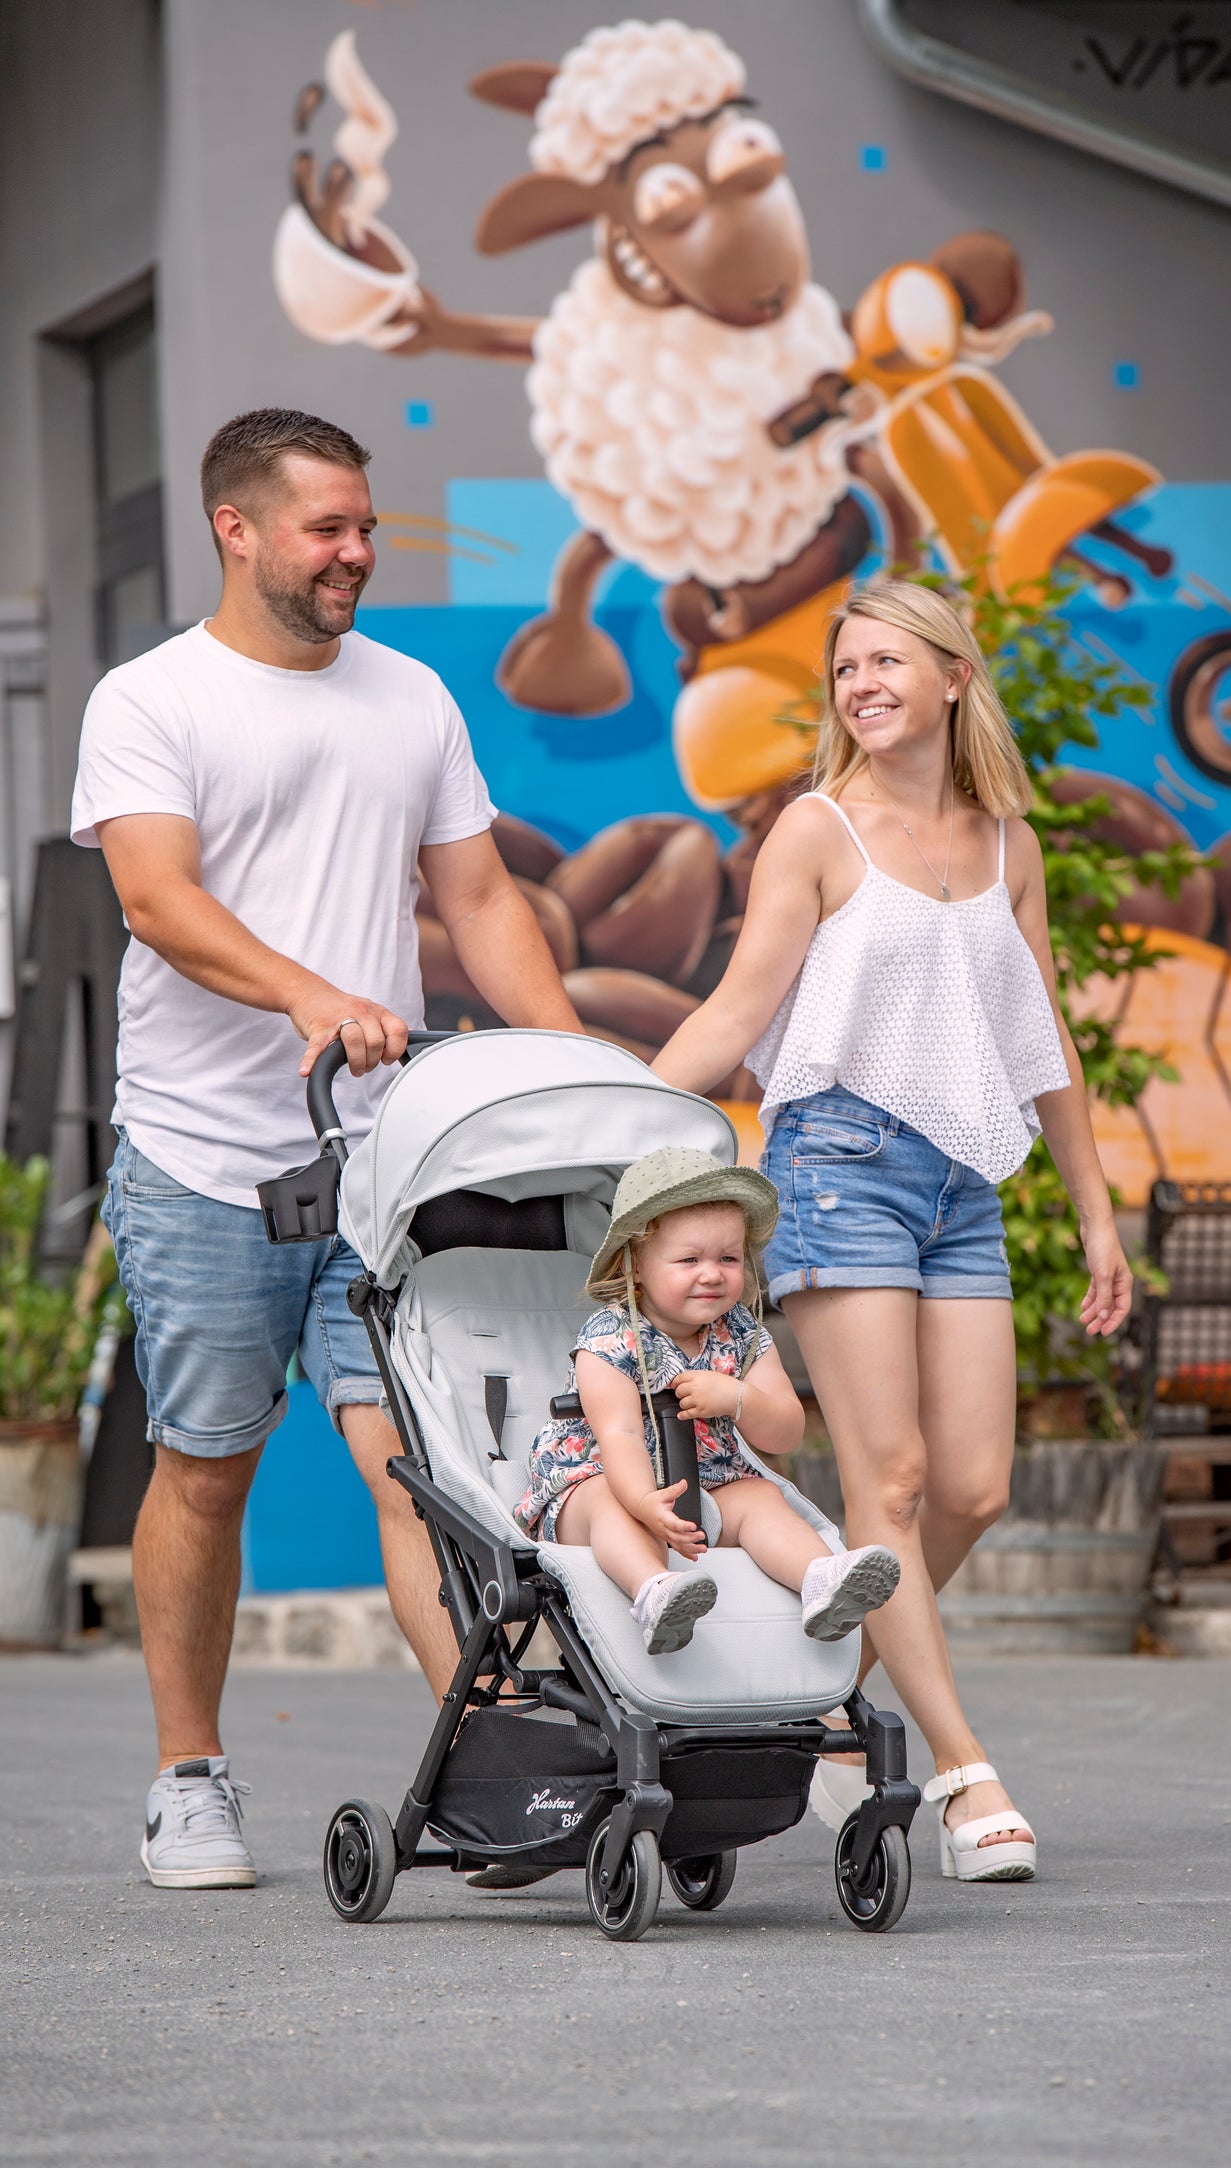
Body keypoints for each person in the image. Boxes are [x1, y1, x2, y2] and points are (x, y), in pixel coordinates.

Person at [71, 408, 582, 1890]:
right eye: (330, 529)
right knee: (208, 1473)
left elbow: (480, 902)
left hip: (381, 1166)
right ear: (239, 530)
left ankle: (490, 1771)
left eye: (367, 526)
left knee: (422, 1471)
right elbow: (157, 901)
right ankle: (189, 1778)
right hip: (203, 1156)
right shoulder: (151, 699)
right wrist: (311, 992)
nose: (359, 552)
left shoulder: (410, 696)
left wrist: (562, 1063)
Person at [652, 576, 1133, 1885]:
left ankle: (811, 1703)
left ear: (952, 677)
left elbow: (1044, 1048)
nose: (861, 685)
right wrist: (623, 1110)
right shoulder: (815, 831)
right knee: (896, 1487)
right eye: (845, 667)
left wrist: (1095, 1210)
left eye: (886, 662)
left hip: (962, 1184)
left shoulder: (1005, 841)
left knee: (973, 1485)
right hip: (838, 1161)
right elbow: (738, 1009)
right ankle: (963, 1770)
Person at [515, 1147, 900, 1652]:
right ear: (635, 1266)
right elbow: (619, 1436)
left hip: (707, 1483)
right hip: (599, 1482)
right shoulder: (610, 1339)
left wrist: (739, 1396)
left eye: (728, 1258)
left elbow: (785, 1430)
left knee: (762, 1497)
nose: (713, 1274)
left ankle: (820, 1580)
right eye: (689, 1259)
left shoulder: (740, 1333)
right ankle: (654, 1591)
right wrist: (644, 1503)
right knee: (611, 1502)